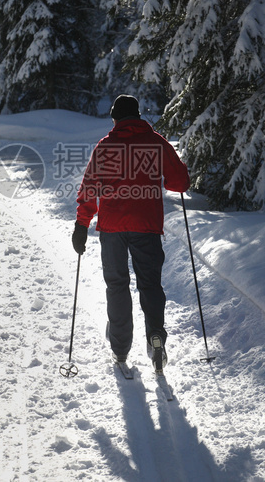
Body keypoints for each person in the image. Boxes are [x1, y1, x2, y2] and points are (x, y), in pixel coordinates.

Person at [72, 94, 190, 371]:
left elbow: (89, 189)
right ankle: (156, 336)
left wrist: (81, 225)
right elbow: (180, 182)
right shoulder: (156, 142)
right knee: (149, 284)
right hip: (146, 226)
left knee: (117, 285)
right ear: (138, 117)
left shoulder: (106, 146)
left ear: (115, 118)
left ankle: (120, 348)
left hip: (112, 227)